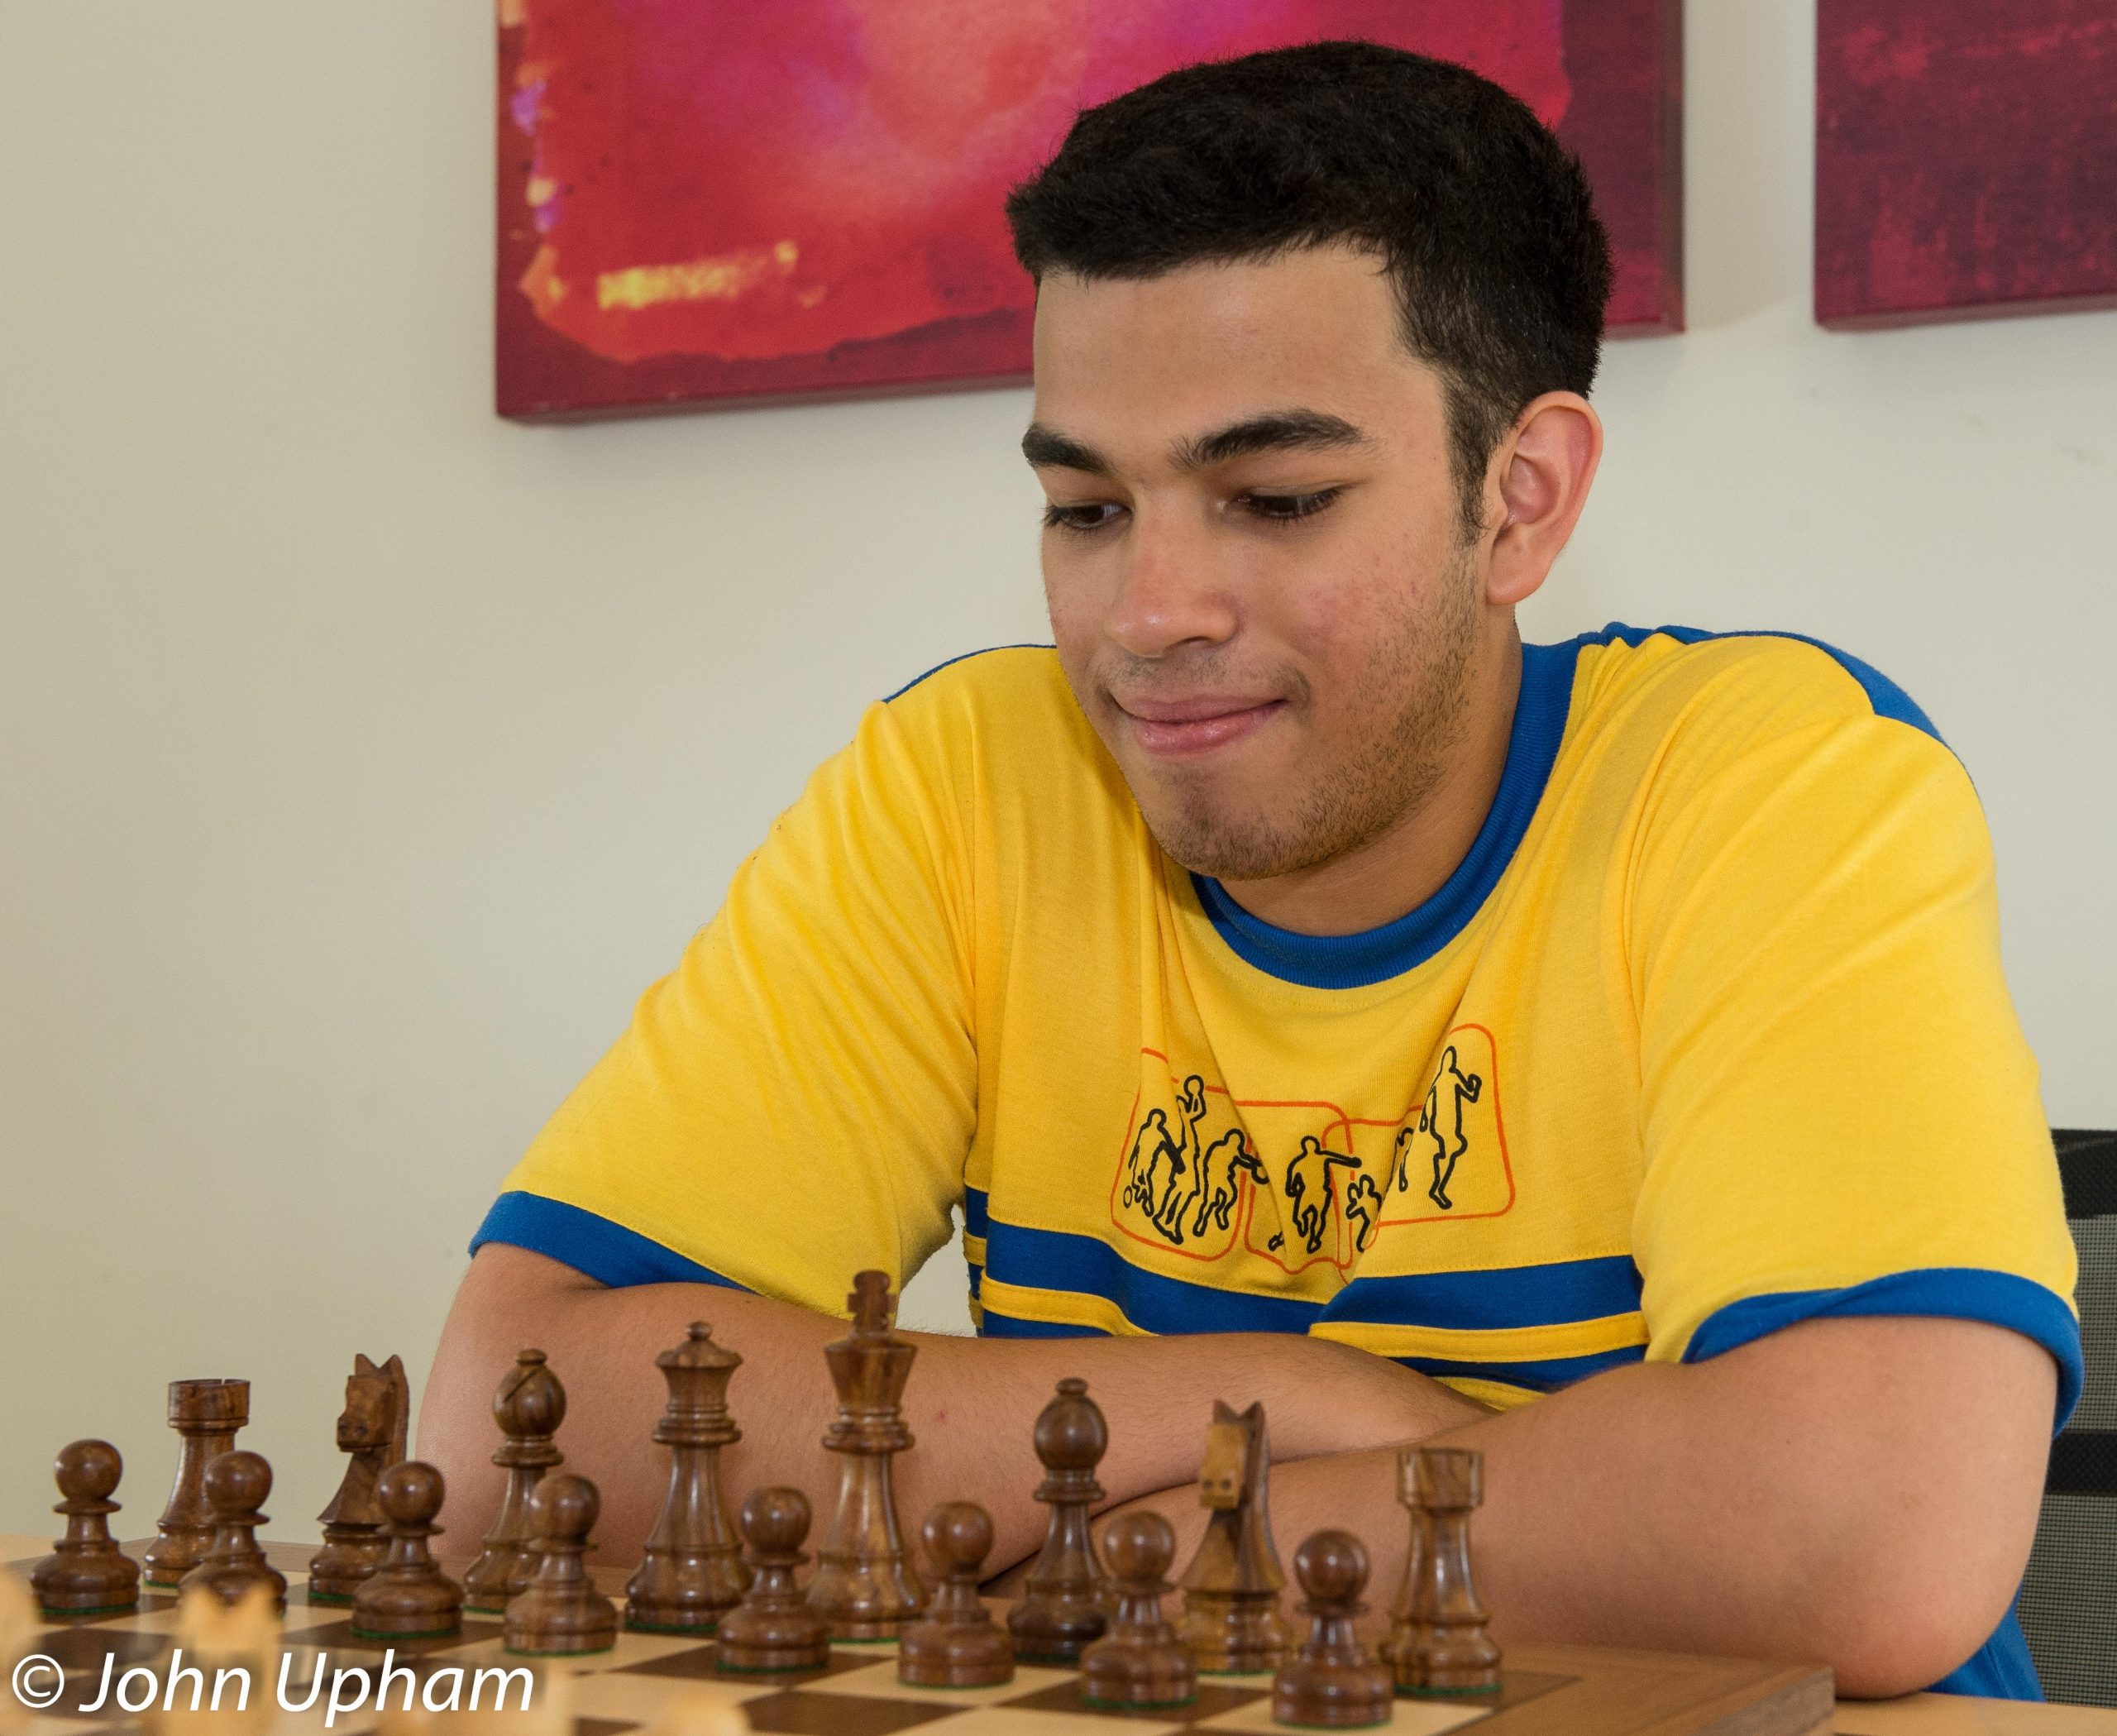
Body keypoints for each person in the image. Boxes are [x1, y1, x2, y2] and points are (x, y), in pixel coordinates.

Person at [421, 42, 2080, 1700]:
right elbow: (506, 1438)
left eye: (1272, 498)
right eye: (1084, 509)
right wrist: (1286, 1400)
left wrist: (1102, 1546)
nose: (1148, 613)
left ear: (1516, 501)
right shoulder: (967, 785)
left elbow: (1864, 1542)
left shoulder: (1763, 775)